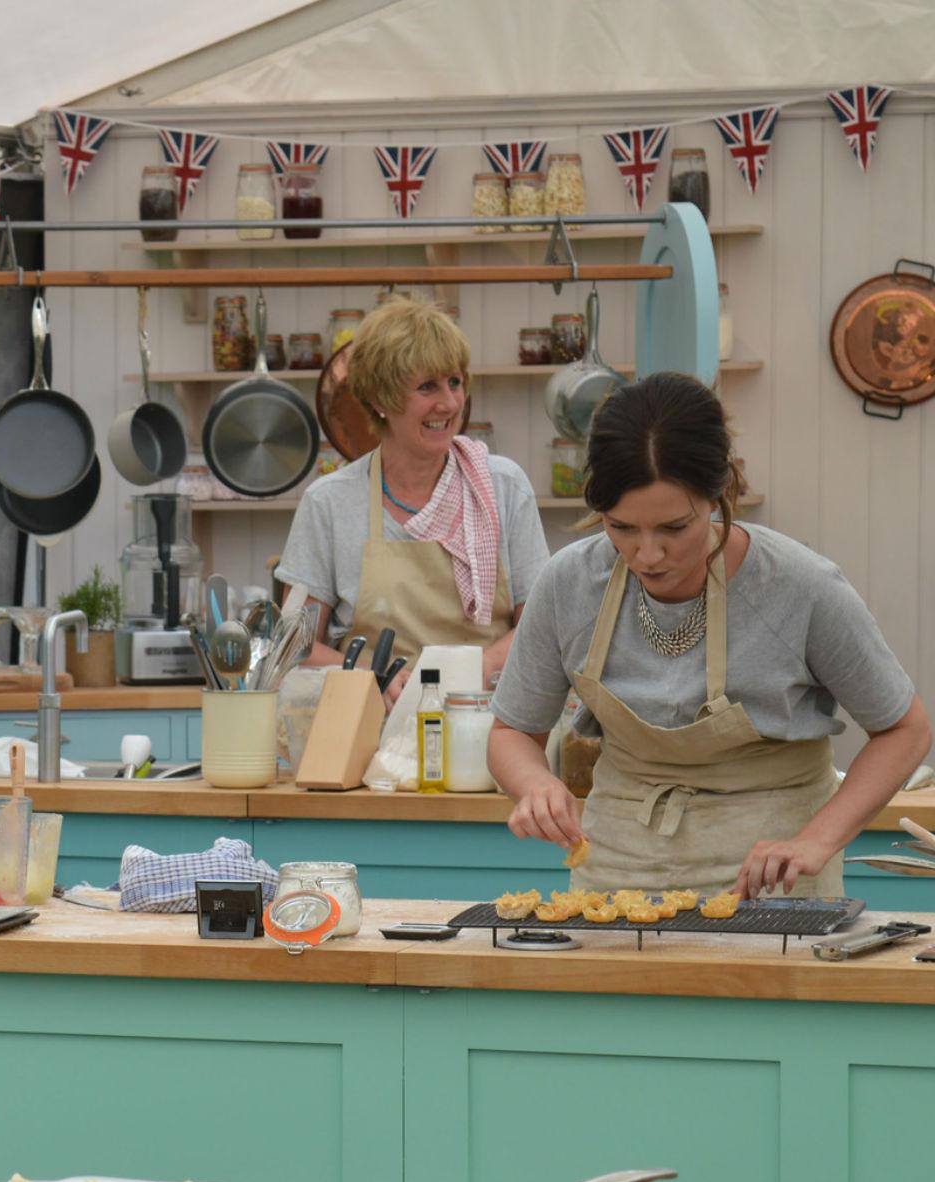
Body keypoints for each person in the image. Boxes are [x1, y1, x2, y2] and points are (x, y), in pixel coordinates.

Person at [489, 372, 930, 897]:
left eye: (674, 528)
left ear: (718, 493)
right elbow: (512, 731)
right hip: (615, 870)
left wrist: (818, 840)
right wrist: (534, 783)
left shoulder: (801, 587)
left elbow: (905, 730)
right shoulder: (569, 584)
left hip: (772, 881)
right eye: (621, 527)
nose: (647, 555)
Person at [276, 299, 550, 692]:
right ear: (379, 400)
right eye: (427, 387)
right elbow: (295, 648)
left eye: (454, 382)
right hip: (369, 726)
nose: (450, 403)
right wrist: (369, 678)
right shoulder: (329, 503)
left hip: (487, 719)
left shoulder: (503, 486)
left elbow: (540, 626)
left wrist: (474, 671)